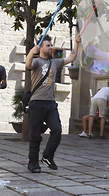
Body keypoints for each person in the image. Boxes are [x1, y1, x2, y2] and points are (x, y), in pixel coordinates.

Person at [25, 34, 81, 173]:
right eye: (48, 45)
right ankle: (33, 163)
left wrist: (76, 43)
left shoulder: (55, 62)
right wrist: (32, 52)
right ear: (41, 48)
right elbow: (28, 64)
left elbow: (72, 57)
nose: (51, 48)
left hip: (50, 104)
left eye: (51, 45)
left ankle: (47, 156)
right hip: (37, 103)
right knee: (35, 135)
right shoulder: (37, 62)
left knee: (57, 130)